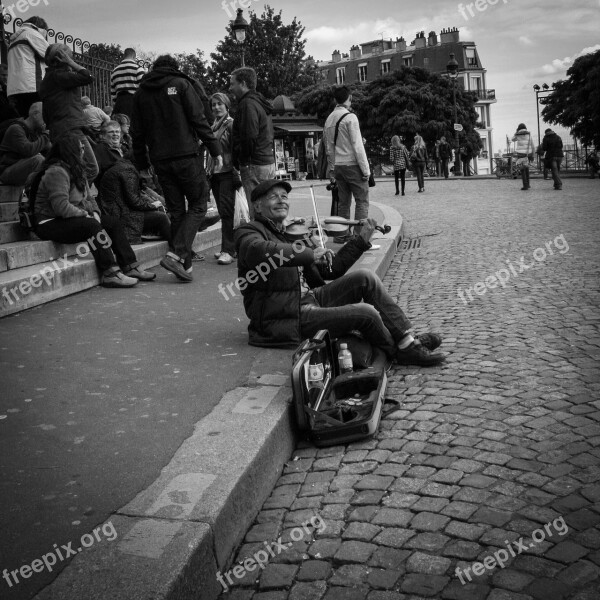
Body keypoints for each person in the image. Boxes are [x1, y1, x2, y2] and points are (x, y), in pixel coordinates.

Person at [234, 179, 446, 366]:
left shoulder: (290, 233)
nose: (281, 201)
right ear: (258, 206)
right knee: (365, 313)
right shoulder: (249, 233)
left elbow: (332, 269)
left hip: (310, 299)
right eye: (273, 197)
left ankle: (407, 339)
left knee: (365, 278)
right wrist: (308, 253)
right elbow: (259, 251)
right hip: (287, 316)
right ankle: (404, 351)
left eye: (284, 196)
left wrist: (361, 240)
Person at [131, 54, 222, 282]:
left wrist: (142, 164)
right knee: (199, 204)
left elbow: (137, 133)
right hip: (185, 155)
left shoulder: (141, 93)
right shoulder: (181, 84)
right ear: (174, 68)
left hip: (160, 160)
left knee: (177, 211)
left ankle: (185, 267)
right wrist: (215, 149)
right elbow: (198, 119)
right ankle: (177, 254)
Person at [34, 132, 155, 287]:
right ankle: (110, 273)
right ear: (71, 150)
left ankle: (130, 266)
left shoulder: (77, 170)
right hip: (49, 222)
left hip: (72, 217)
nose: (84, 150)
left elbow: (90, 199)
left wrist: (96, 213)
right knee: (91, 226)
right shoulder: (56, 172)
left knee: (112, 223)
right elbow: (61, 208)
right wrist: (87, 215)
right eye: (81, 148)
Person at [39, 44, 99, 184]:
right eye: (70, 56)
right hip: (70, 128)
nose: (72, 59)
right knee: (90, 168)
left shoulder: (48, 79)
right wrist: (72, 63)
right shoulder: (60, 76)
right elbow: (89, 77)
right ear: (63, 59)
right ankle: (68, 197)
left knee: (71, 168)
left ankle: (74, 199)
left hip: (60, 128)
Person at [229, 67, 275, 219]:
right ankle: (272, 240)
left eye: (232, 83)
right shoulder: (260, 103)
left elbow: (249, 136)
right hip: (266, 160)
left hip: (253, 163)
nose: (230, 88)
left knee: (257, 212)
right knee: (269, 210)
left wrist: (243, 160)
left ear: (243, 83)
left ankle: (261, 241)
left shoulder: (247, 104)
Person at [324, 85, 370, 224]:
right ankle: (359, 239)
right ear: (350, 98)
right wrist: (366, 170)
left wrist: (332, 168)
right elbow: (357, 146)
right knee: (362, 201)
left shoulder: (329, 119)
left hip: (338, 165)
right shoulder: (350, 117)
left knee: (343, 203)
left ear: (335, 99)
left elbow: (329, 148)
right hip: (352, 164)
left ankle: (341, 236)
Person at [207, 92, 236, 265]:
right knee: (224, 212)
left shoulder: (230, 124)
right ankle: (227, 247)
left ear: (226, 105)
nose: (216, 107)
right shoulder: (215, 125)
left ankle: (229, 250)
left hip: (226, 172)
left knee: (227, 213)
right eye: (213, 105)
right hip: (215, 173)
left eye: (219, 104)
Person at [7, 17, 49, 117]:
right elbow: (50, 53)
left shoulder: (14, 39)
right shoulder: (31, 33)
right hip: (31, 85)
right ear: (40, 28)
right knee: (39, 118)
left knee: (24, 119)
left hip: (14, 89)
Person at [0, 102, 50, 185]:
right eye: (44, 115)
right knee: (38, 160)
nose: (46, 119)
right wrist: (45, 135)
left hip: (19, 169)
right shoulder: (16, 129)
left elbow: (50, 149)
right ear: (35, 114)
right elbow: (29, 150)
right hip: (6, 171)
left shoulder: (36, 131)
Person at [110, 48, 145, 118]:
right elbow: (143, 88)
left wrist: (115, 104)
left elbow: (113, 93)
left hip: (119, 104)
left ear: (124, 56)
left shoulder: (114, 71)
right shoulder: (138, 69)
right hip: (134, 103)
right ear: (134, 56)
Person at [511, 123, 534, 191]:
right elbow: (531, 144)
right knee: (526, 168)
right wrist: (532, 154)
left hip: (520, 154)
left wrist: (516, 132)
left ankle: (525, 185)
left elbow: (512, 139)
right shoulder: (528, 134)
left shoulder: (518, 135)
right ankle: (528, 184)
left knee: (522, 169)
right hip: (528, 153)